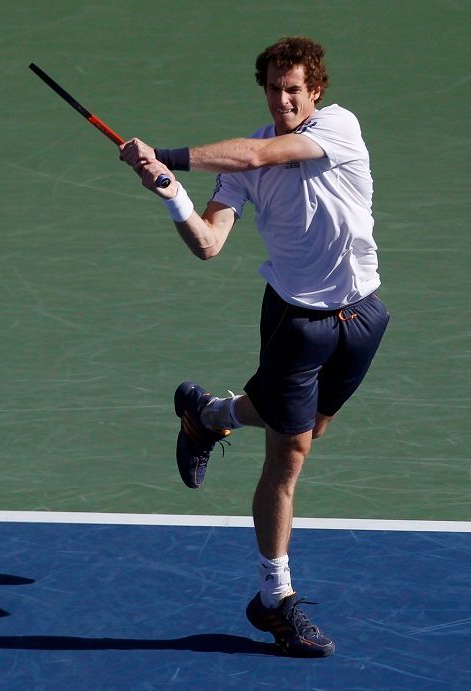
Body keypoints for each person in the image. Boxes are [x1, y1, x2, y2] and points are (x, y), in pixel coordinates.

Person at [120, 36, 389, 658]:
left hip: (364, 315)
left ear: (315, 91)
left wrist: (166, 153)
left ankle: (208, 415)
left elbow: (262, 154)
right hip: (296, 321)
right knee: (289, 452)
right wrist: (174, 197)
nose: (284, 98)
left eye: (294, 88)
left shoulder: (338, 128)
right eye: (274, 87)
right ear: (264, 89)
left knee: (308, 428)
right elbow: (209, 243)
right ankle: (275, 600)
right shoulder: (244, 159)